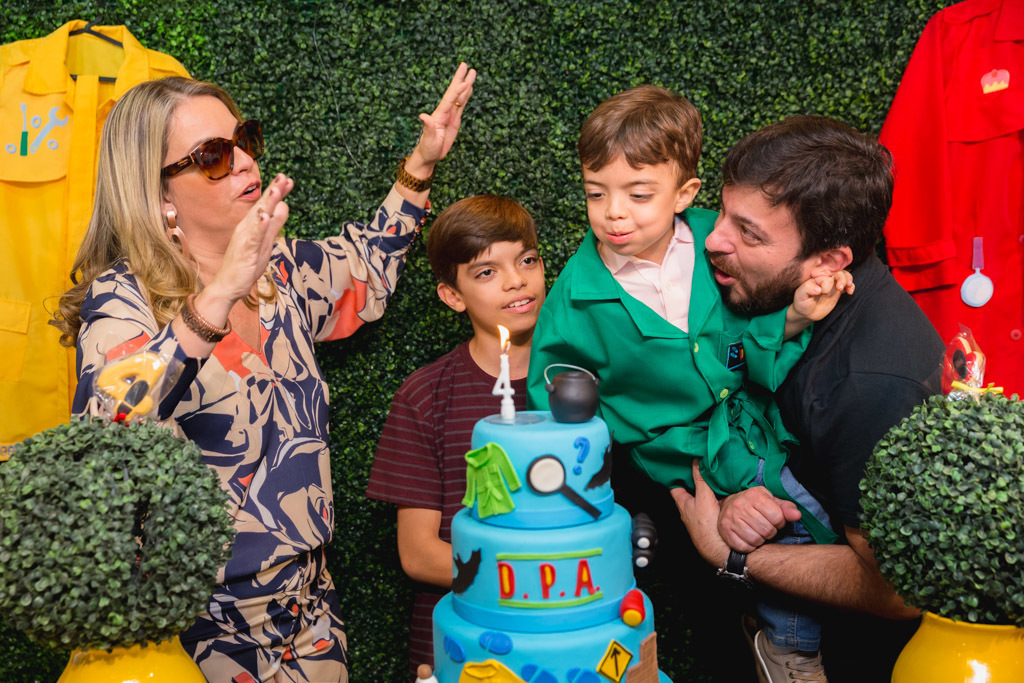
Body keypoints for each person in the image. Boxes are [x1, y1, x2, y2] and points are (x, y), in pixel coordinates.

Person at [53, 65, 476, 683]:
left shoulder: (276, 269)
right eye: (214, 157)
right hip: (196, 635)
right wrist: (218, 295)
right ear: (158, 194)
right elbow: (107, 424)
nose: (246, 163)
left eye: (244, 141)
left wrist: (421, 163)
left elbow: (364, 272)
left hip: (312, 618)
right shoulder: (122, 300)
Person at [526, 86, 853, 681]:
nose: (614, 212)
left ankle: (801, 634)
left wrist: (798, 312)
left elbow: (759, 325)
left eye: (638, 194)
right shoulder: (575, 296)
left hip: (766, 427)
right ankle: (791, 648)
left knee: (822, 511)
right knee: (785, 532)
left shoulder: (721, 242)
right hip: (683, 465)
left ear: (686, 194)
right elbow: (554, 400)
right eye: (596, 193)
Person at [670, 115, 945, 683]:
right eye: (723, 214)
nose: (714, 239)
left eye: (749, 233)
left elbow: (896, 592)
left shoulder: (868, 386)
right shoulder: (787, 291)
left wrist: (733, 558)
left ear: (830, 261)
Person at [366, 194, 545, 680]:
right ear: (452, 295)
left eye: (527, 260)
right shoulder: (425, 395)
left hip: (567, 637)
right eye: (486, 272)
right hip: (461, 647)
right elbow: (419, 553)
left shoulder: (584, 383)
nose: (516, 280)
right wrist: (536, 579)